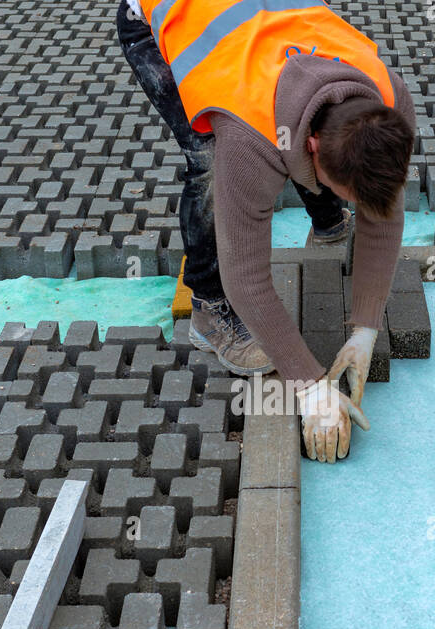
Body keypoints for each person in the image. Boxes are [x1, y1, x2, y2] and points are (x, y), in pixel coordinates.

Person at [117, 0, 415, 462]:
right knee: (206, 163)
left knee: (318, 159)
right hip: (162, 20)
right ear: (312, 146)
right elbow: (248, 278)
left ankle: (329, 220)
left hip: (267, 33)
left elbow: (385, 211)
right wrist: (310, 385)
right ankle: (208, 310)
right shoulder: (248, 136)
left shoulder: (389, 98)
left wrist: (366, 328)